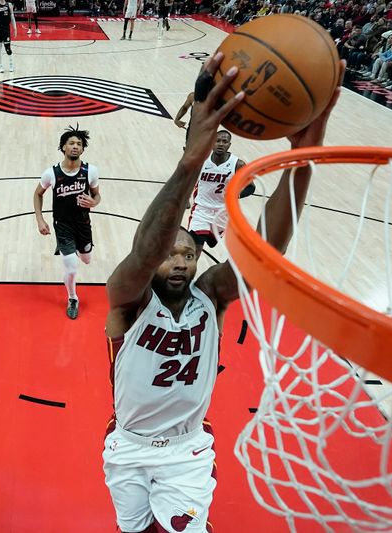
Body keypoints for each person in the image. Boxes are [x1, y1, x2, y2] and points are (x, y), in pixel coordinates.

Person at [102, 52, 344, 533]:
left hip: (185, 450)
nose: (180, 262)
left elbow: (267, 250)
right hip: (126, 444)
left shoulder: (210, 296)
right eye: (171, 255)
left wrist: (301, 161)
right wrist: (189, 162)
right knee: (130, 530)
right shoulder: (127, 299)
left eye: (188, 254)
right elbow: (147, 248)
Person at [33, 125, 101, 320]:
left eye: (79, 144)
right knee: (71, 266)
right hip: (62, 225)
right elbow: (37, 194)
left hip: (83, 224)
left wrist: (94, 202)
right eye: (71, 143)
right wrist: (40, 219)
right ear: (63, 147)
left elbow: (97, 195)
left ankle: (79, 250)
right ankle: (72, 298)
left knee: (86, 260)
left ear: (83, 149)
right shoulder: (51, 174)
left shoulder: (91, 171)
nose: (75, 146)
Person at [187, 129, 247, 253]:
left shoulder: (238, 164)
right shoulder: (201, 159)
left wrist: (234, 196)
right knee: (194, 249)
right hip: (201, 210)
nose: (220, 144)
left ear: (229, 144)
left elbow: (251, 187)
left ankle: (212, 235)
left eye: (224, 141)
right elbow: (190, 180)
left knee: (212, 242)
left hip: (222, 212)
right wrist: (185, 197)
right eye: (218, 141)